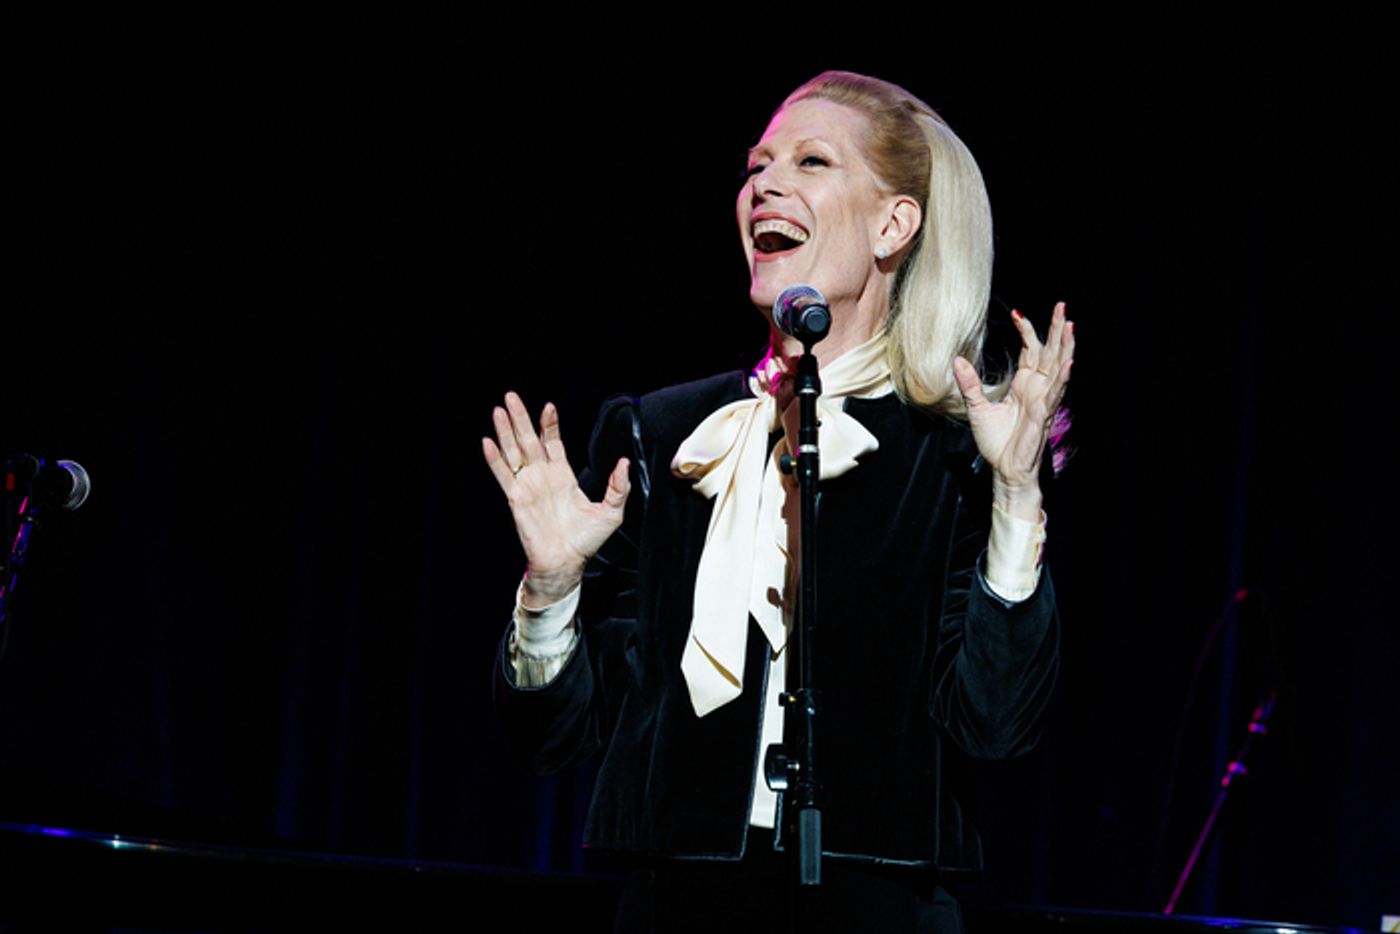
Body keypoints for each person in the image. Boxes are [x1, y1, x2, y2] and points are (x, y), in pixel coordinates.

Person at [484, 71, 1073, 933]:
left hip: (878, 905)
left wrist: (1017, 497)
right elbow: (554, 741)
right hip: (675, 902)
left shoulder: (956, 453)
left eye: (811, 161)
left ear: (893, 224)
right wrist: (549, 596)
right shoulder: (668, 435)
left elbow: (996, 725)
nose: (764, 184)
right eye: (757, 164)